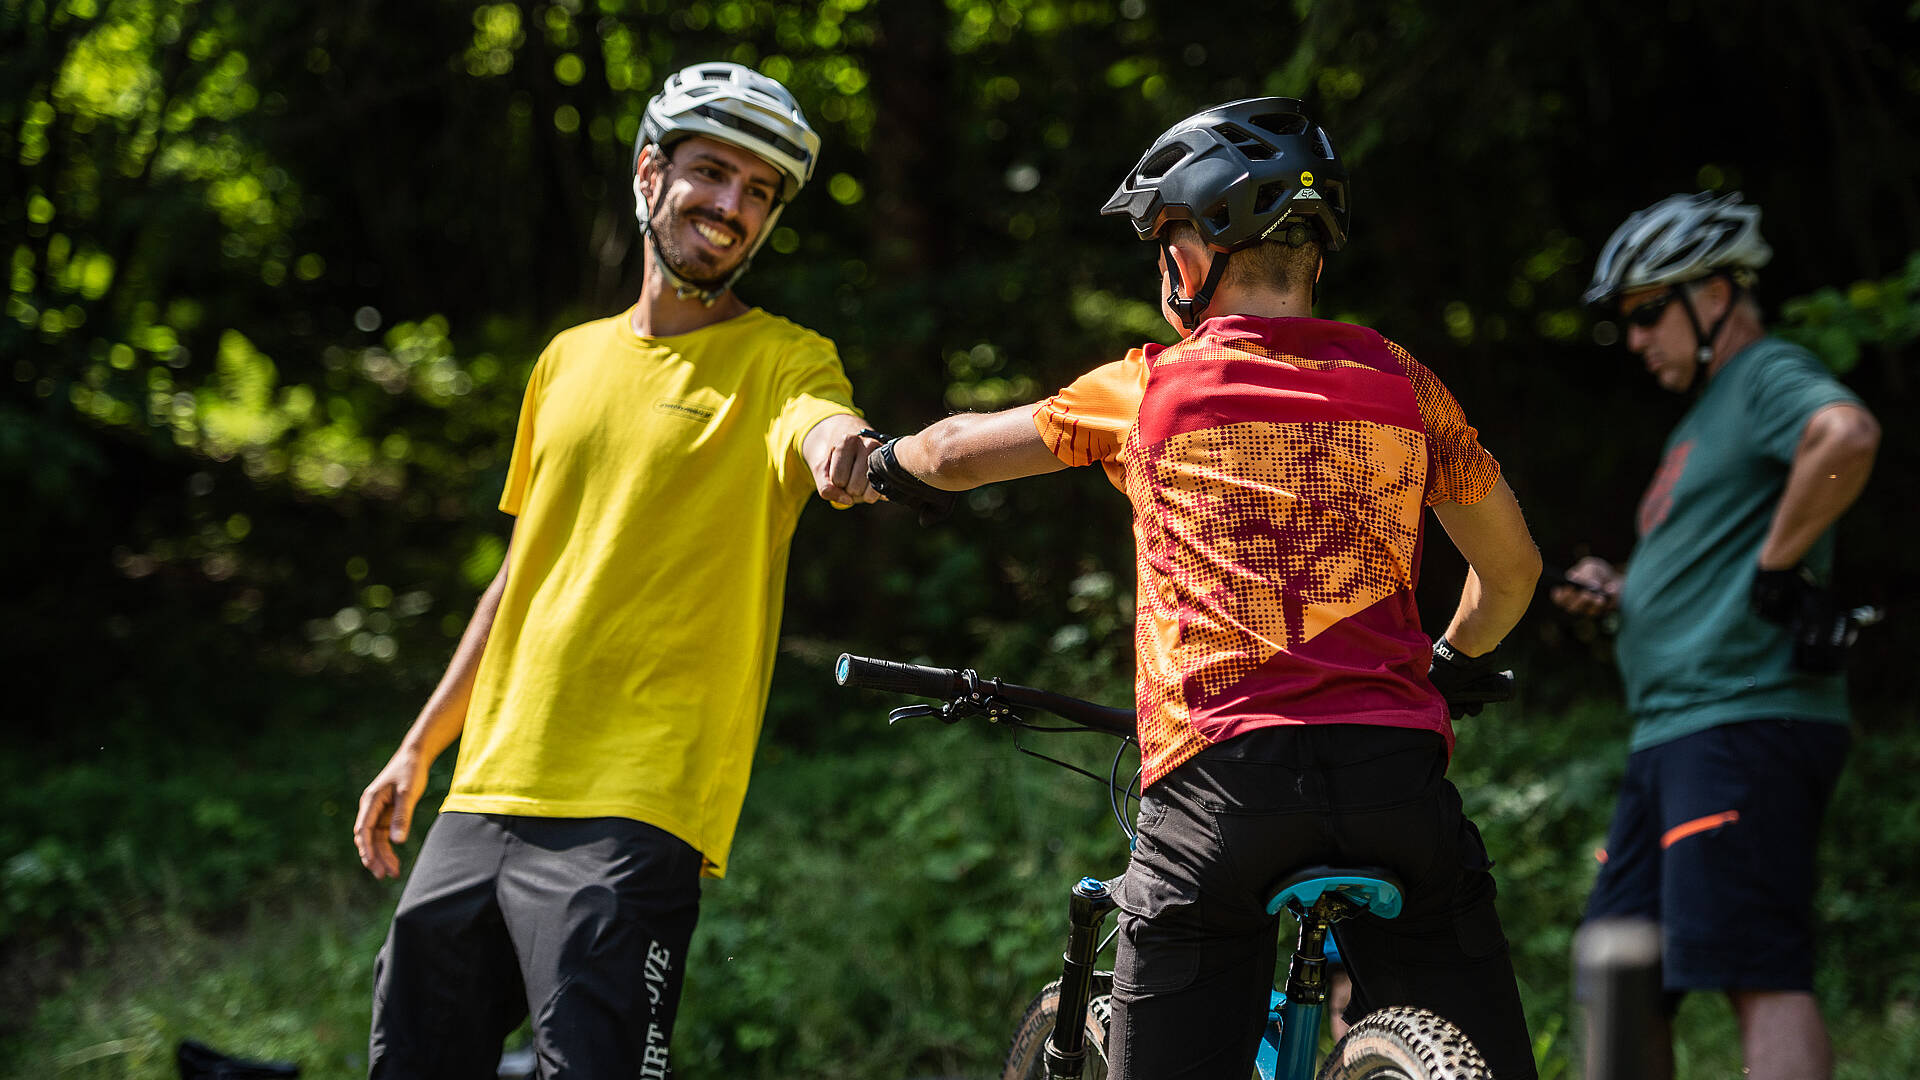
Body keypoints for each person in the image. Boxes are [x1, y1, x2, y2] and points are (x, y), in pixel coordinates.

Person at [865, 98, 1542, 1080]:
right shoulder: (1404, 384)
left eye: (1161, 240)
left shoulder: (1154, 388)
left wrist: (886, 464)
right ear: (1317, 251)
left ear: (1193, 254)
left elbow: (959, 453)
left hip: (1221, 795)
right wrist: (1454, 661)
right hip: (1399, 784)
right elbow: (1512, 571)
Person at [351, 61, 882, 1078]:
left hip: (638, 801)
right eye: (713, 172)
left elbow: (823, 426)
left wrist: (844, 451)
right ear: (651, 173)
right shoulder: (565, 360)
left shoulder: (785, 360)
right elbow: (520, 579)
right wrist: (420, 750)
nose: (733, 206)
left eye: (759, 191)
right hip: (488, 786)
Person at [1557, 191, 1880, 1080]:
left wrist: (1779, 566)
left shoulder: (1766, 373)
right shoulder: (1708, 414)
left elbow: (1847, 435)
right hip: (1675, 733)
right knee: (1618, 971)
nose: (1636, 339)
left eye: (1649, 313)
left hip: (1742, 722)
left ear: (1718, 294)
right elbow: (1714, 558)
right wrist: (1630, 590)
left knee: (1753, 970)